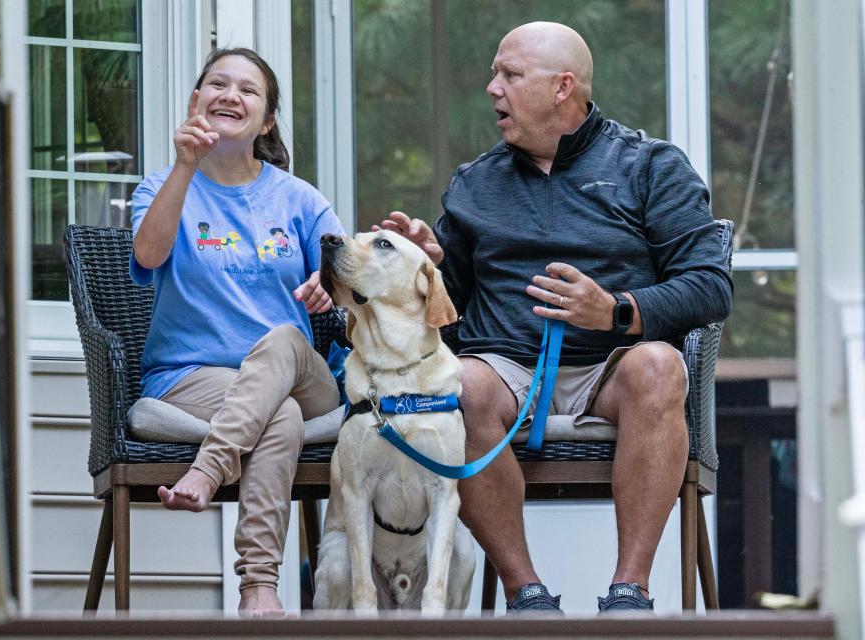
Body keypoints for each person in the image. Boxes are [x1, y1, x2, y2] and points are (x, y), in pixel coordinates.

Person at [377, 22, 732, 612]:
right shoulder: (475, 184)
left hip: (611, 371)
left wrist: (616, 311)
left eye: (510, 75)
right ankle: (527, 593)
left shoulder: (650, 166)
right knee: (458, 382)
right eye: (495, 73)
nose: (493, 88)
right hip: (507, 370)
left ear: (563, 87)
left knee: (661, 367)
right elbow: (450, 314)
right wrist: (428, 266)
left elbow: (709, 286)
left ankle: (629, 592)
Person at [129, 47, 344, 616]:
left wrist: (331, 286)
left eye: (248, 90)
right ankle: (259, 588)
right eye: (217, 84)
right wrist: (184, 166)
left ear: (266, 119)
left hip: (302, 373)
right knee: (280, 415)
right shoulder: (160, 186)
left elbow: (350, 281)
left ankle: (207, 472)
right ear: (196, 101)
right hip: (192, 375)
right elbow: (147, 257)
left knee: (284, 342)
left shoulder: (299, 199)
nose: (231, 95)